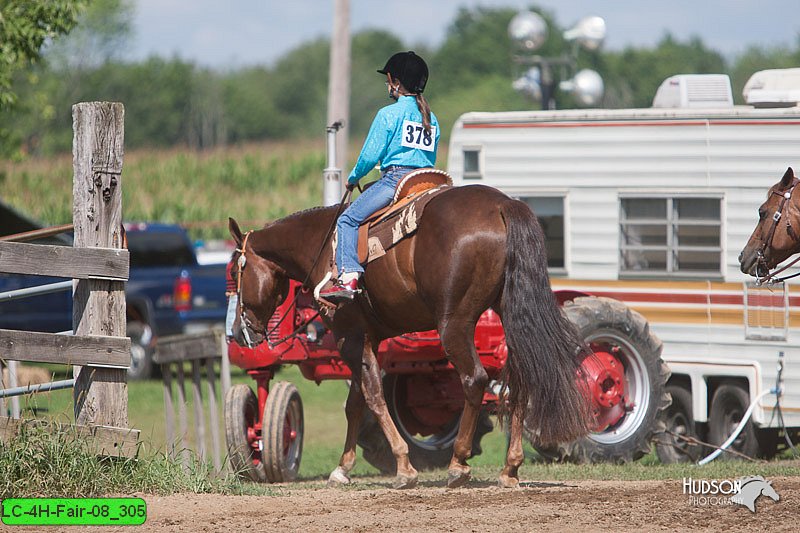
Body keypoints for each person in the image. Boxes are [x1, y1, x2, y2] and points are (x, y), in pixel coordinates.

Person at [320, 51, 440, 301]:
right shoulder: (432, 118)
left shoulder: (388, 114)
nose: (387, 85)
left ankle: (348, 277)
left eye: (388, 81)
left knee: (347, 220)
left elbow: (369, 156)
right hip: (427, 182)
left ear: (395, 82)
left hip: (397, 180)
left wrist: (353, 178)